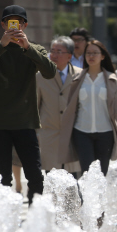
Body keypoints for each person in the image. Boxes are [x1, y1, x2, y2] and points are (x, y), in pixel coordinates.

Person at [0, 5, 57, 204]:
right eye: (9, 22)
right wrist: (1, 46)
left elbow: (50, 72)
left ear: (24, 25)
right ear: (3, 24)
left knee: (35, 174)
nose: (13, 25)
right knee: (2, 175)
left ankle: (36, 215)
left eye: (17, 22)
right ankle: (4, 216)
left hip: (25, 121)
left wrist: (26, 47)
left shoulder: (34, 49)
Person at [59, 40, 117, 175]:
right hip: (81, 132)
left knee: (102, 173)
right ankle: (88, 197)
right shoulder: (77, 79)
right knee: (88, 172)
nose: (91, 56)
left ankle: (99, 197)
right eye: (88, 53)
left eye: (95, 53)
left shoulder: (111, 79)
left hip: (106, 133)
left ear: (102, 56)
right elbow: (70, 107)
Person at [36, 36, 82, 174]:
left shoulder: (80, 75)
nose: (53, 55)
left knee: (73, 180)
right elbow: (35, 106)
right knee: (52, 180)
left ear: (69, 56)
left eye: (59, 51)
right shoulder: (40, 76)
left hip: (73, 135)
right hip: (49, 135)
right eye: (52, 51)